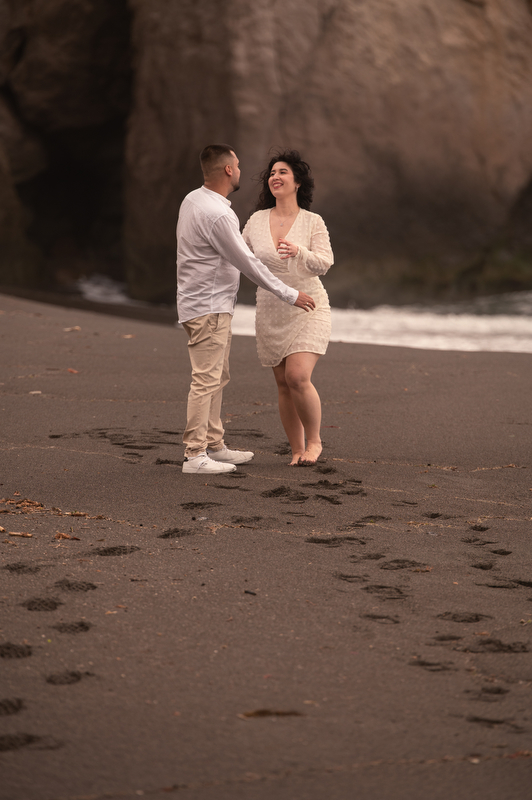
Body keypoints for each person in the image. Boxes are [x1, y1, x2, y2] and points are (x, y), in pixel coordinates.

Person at [176, 144, 316, 475]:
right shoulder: (218, 214)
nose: (241, 170)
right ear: (228, 170)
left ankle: (214, 446)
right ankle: (195, 455)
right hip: (207, 307)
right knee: (206, 379)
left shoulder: (193, 199)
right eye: (237, 165)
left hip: (201, 303)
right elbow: (248, 262)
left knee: (217, 376)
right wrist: (287, 293)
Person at [242, 150, 334, 466]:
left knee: (297, 376)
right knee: (283, 383)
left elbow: (324, 264)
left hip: (308, 305)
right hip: (270, 308)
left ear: (297, 182)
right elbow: (242, 260)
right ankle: (296, 450)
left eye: (282, 172)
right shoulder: (255, 221)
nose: (275, 177)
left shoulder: (312, 221)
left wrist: (299, 251)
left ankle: (315, 442)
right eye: (271, 173)